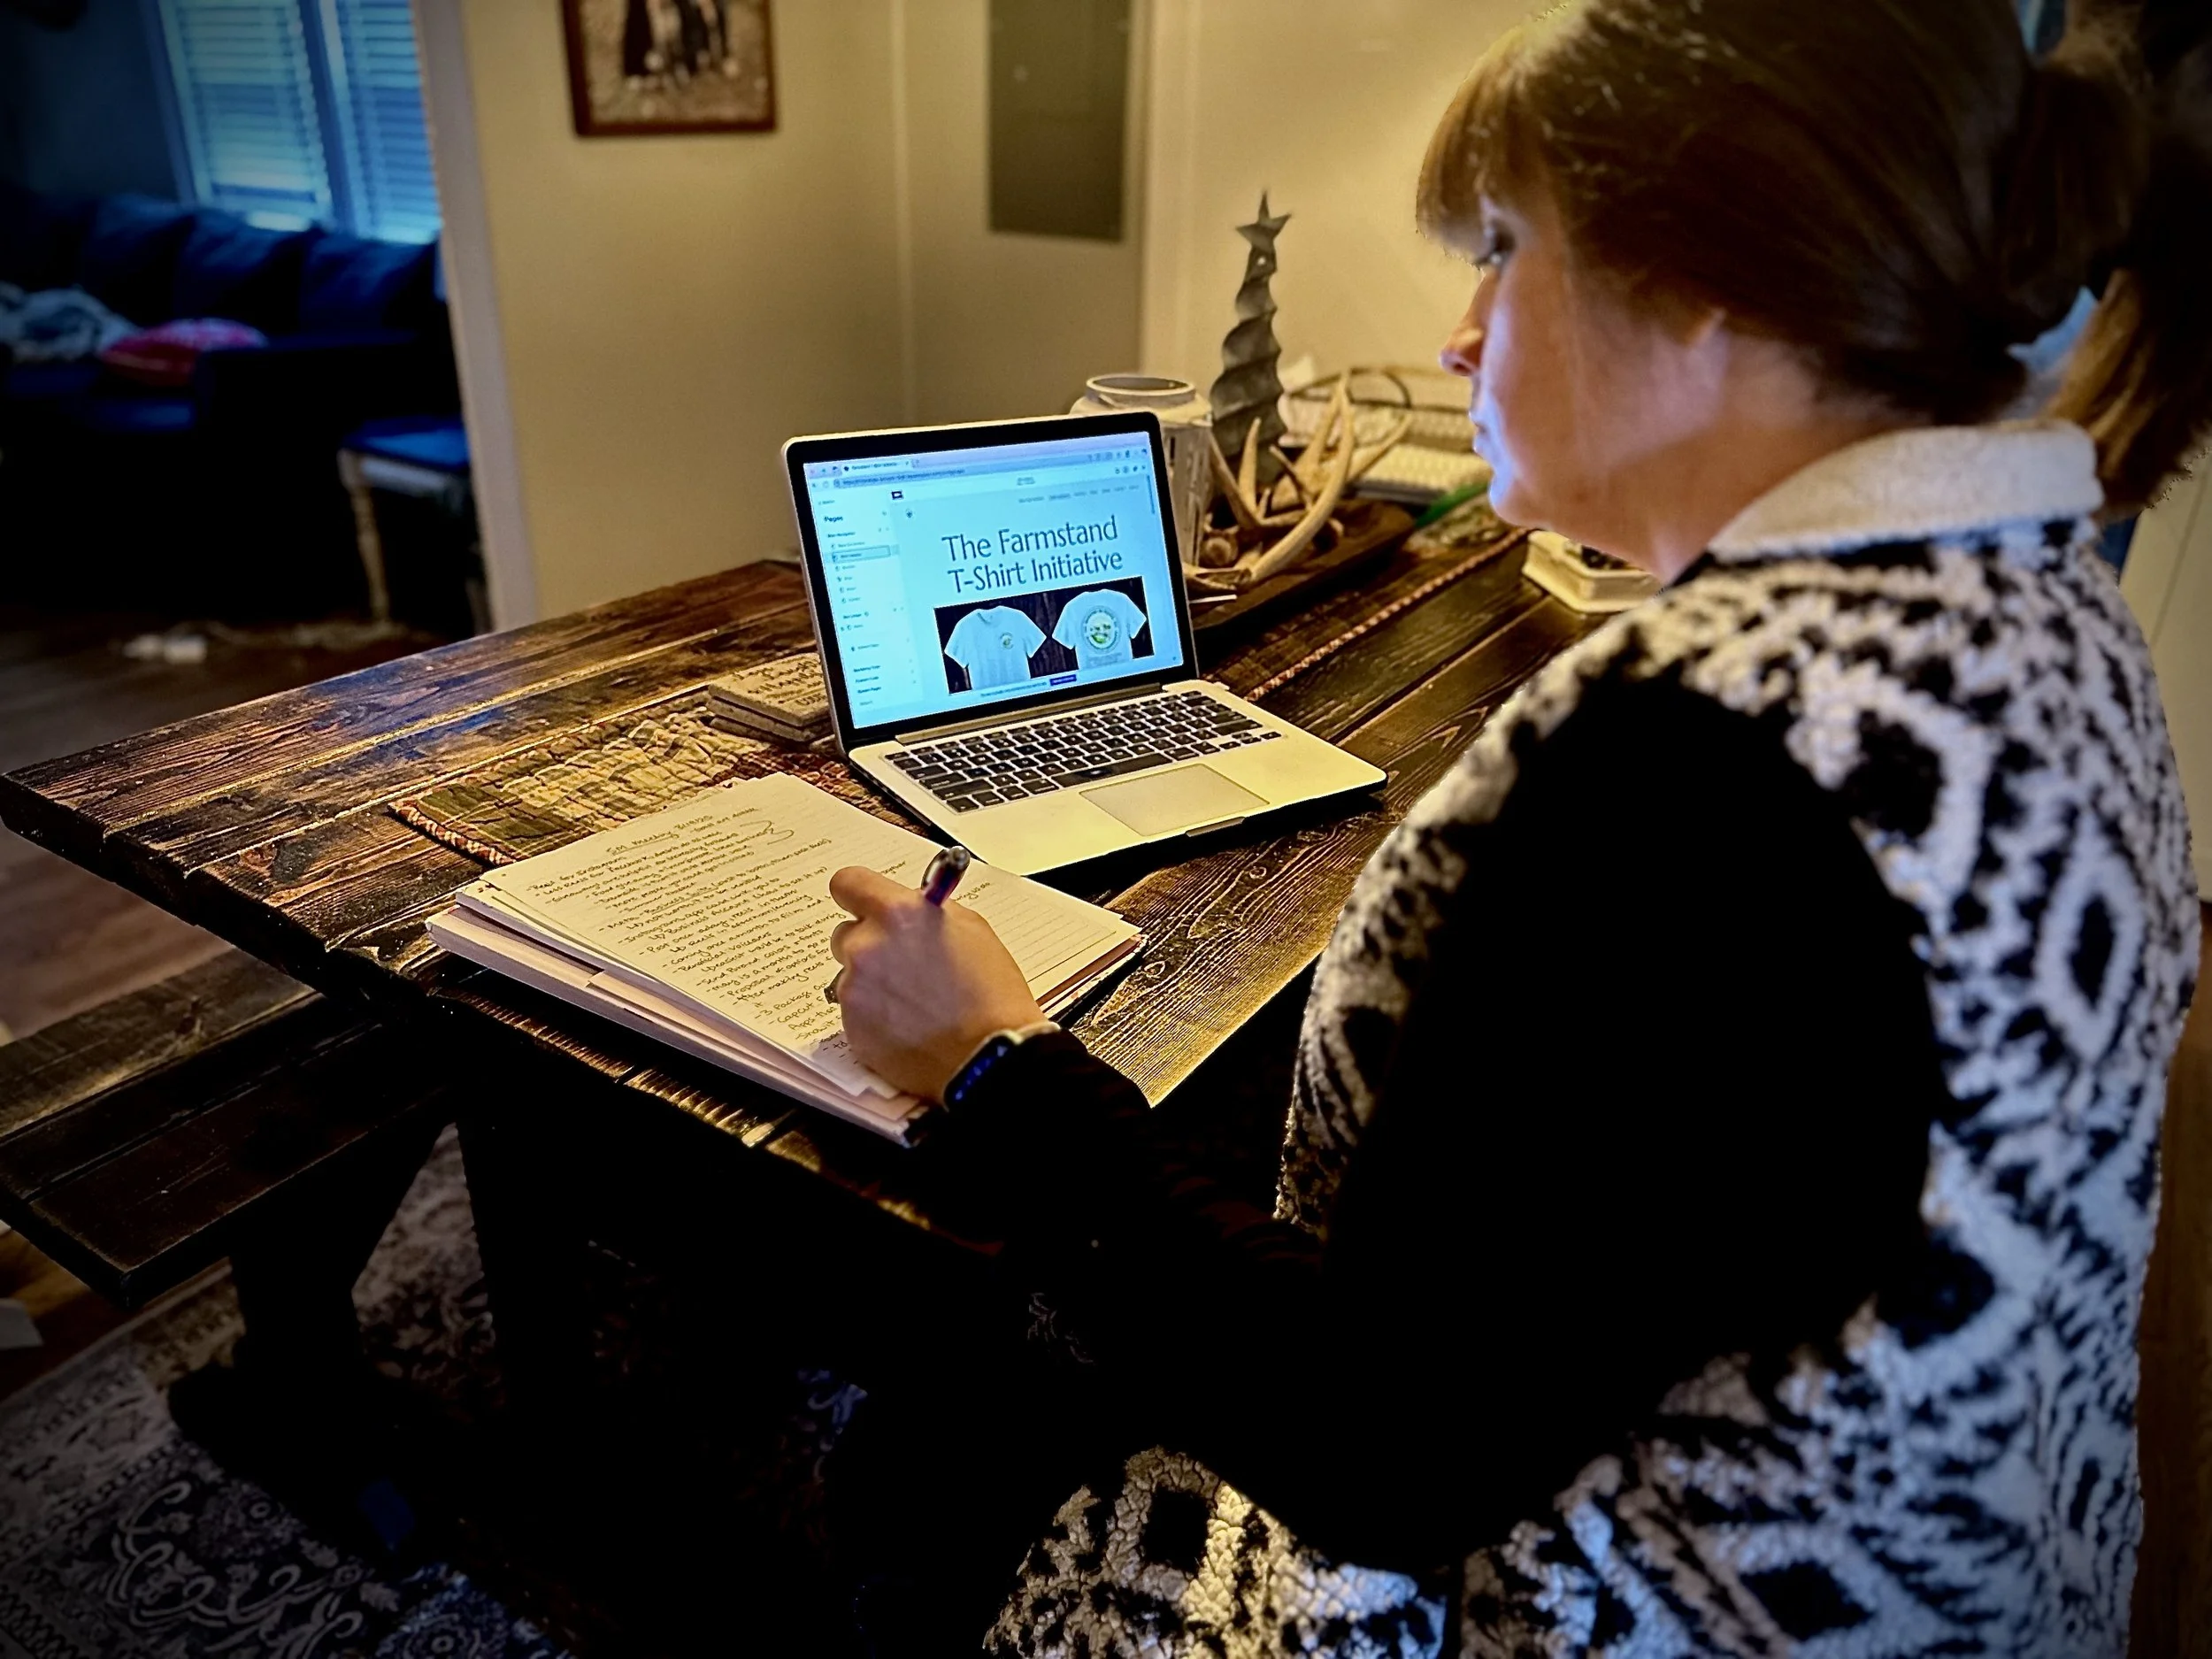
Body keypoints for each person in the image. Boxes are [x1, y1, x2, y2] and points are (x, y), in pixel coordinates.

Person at [824, 1, 2210, 1652]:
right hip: (1988, 1584)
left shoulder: (1687, 771)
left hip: (1626, 1613)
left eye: (1504, 249)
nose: (1461, 335)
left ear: (1708, 287)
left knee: (938, 1453)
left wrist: (997, 1066)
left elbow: (1381, 1451)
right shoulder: (2052, 611)